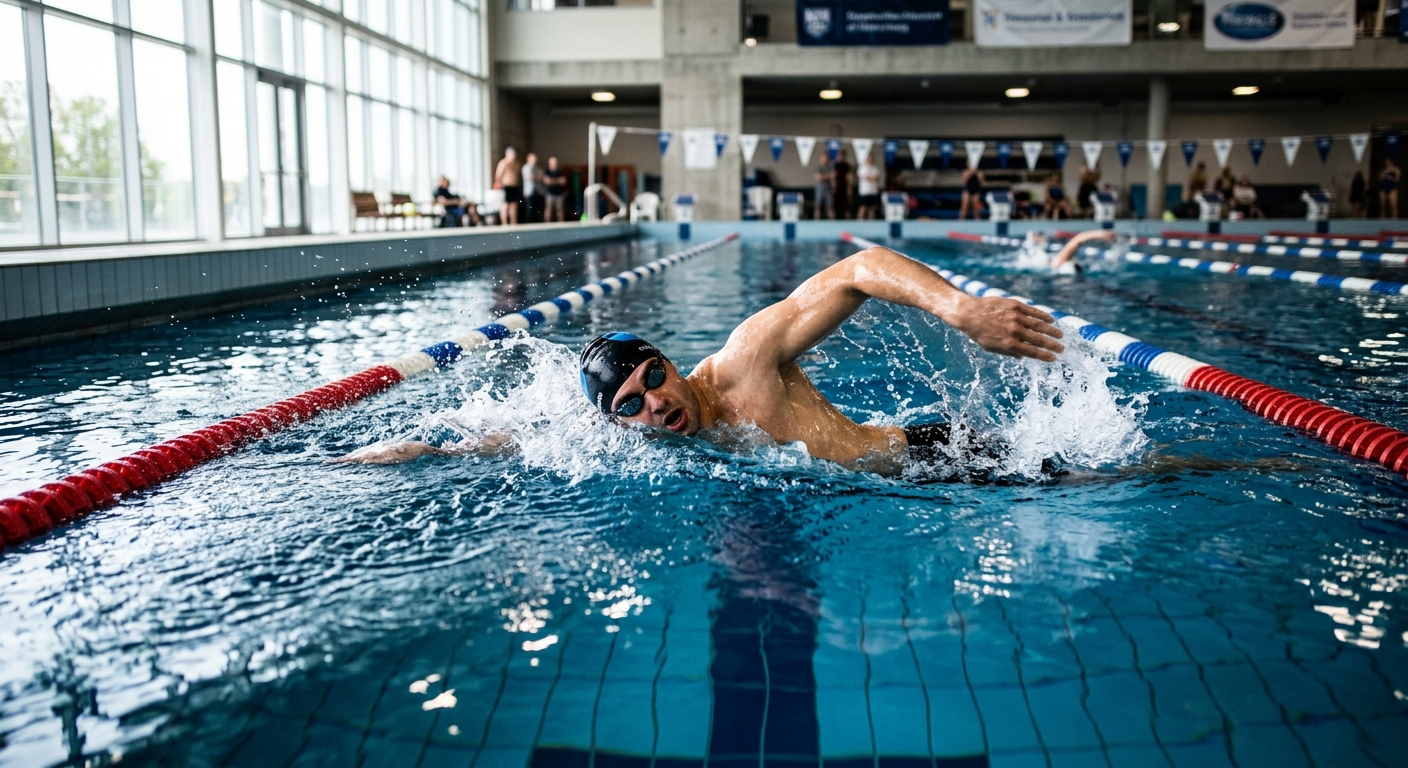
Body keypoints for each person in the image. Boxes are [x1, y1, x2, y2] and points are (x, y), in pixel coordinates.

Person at [339, 245, 1066, 474]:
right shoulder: (633, 433)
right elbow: (525, 439)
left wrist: (961, 311)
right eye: (630, 404)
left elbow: (858, 267)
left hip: (930, 458)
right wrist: (427, 450)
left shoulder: (745, 361)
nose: (653, 403)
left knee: (1096, 476)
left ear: (668, 361)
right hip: (880, 486)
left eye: (652, 378)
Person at [1047, 229, 1119, 274]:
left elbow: (1078, 240)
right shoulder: (1058, 262)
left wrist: (1100, 234)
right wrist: (1100, 234)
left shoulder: (1056, 263)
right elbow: (1078, 239)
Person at [494, 147, 523, 225]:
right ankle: (504, 223)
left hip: (514, 186)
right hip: (506, 186)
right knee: (505, 205)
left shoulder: (517, 164)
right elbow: (498, 175)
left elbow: (518, 176)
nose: (514, 156)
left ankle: (513, 222)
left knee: (514, 206)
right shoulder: (503, 163)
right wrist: (498, 184)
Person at [856, 153, 881, 219]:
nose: (869, 160)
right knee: (862, 209)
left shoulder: (875, 169)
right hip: (864, 192)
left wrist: (870, 178)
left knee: (872, 210)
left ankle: (872, 226)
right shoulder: (862, 168)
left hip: (873, 192)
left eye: (871, 159)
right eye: (868, 159)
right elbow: (865, 177)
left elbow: (876, 177)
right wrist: (871, 177)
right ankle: (860, 224)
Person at [543, 157, 567, 223]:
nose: (554, 164)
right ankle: (547, 224)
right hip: (549, 193)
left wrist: (551, 181)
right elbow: (546, 181)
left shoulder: (560, 172)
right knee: (548, 209)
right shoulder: (547, 172)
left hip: (559, 193)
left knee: (560, 210)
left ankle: (561, 223)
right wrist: (558, 181)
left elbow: (563, 181)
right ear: (549, 163)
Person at [522, 152, 542, 224]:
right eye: (533, 159)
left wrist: (536, 177)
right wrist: (537, 177)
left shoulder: (538, 169)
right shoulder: (526, 168)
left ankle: (537, 222)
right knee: (529, 209)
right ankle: (528, 223)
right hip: (529, 192)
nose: (534, 160)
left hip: (538, 191)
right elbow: (530, 177)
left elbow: (541, 178)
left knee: (537, 209)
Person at [833, 148, 852, 220]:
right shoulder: (835, 165)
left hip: (844, 186)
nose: (840, 157)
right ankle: (834, 220)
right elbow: (833, 177)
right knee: (835, 205)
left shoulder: (846, 166)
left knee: (845, 205)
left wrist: (849, 188)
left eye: (842, 156)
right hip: (837, 186)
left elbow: (848, 178)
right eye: (839, 156)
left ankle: (847, 220)